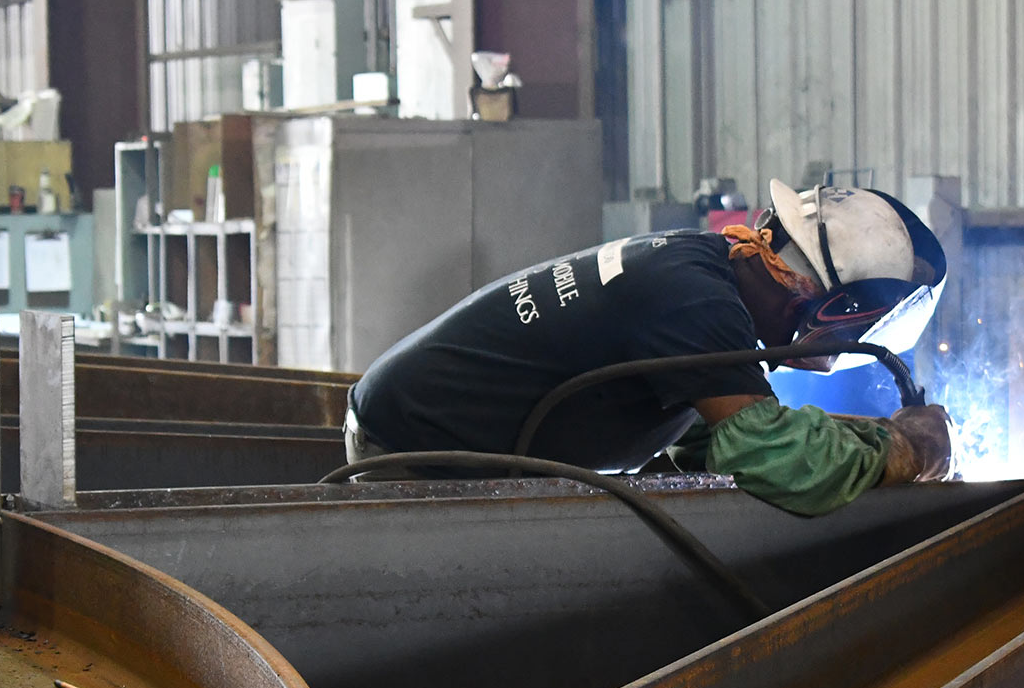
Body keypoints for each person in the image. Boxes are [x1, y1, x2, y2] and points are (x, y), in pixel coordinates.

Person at [344, 179, 956, 515]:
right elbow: (775, 461)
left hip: (426, 445)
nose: (835, 352)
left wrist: (864, 435)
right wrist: (909, 449)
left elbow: (722, 435)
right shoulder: (697, 303)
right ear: (819, 299)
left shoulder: (703, 273)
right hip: (419, 467)